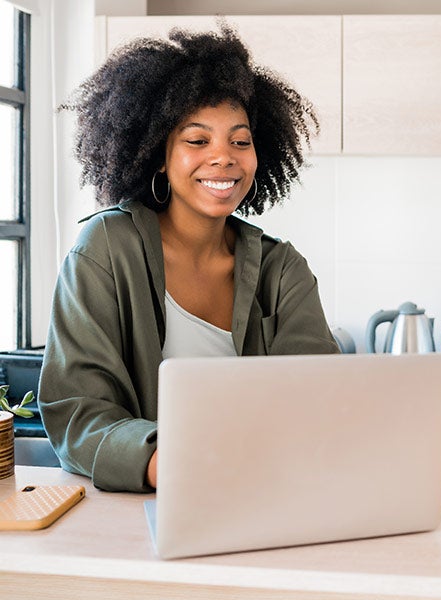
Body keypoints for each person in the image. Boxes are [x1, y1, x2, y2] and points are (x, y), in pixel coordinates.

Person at [38, 23, 339, 493]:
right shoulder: (105, 249)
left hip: (264, 495)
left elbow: (321, 400)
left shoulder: (283, 271)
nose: (224, 158)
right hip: (146, 507)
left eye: (240, 141)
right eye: (198, 141)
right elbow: (79, 411)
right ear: (159, 154)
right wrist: (167, 465)